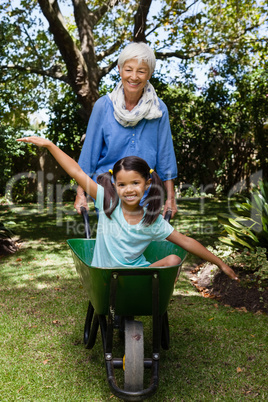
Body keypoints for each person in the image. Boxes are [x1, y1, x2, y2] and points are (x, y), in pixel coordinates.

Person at [17, 136, 239, 281]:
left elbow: (187, 242)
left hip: (136, 276)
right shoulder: (107, 202)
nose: (129, 189)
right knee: (163, 264)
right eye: (122, 185)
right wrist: (50, 146)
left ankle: (143, 293)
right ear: (115, 185)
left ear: (147, 184)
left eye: (135, 183)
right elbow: (76, 172)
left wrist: (219, 263)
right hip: (104, 276)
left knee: (173, 259)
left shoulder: (152, 220)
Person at [74, 41, 178, 218]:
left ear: (150, 73)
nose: (134, 77)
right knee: (113, 245)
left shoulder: (159, 109)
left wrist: (171, 197)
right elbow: (89, 154)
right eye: (129, 69)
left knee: (143, 245)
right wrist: (80, 193)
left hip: (145, 194)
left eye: (141, 71)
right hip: (108, 191)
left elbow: (165, 156)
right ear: (119, 69)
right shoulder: (103, 107)